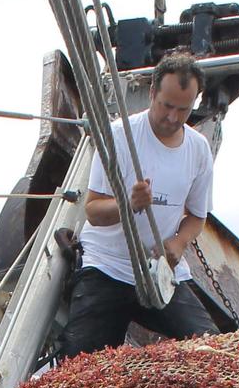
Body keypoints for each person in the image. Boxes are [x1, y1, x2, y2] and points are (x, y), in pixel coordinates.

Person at [59, 49, 222, 359]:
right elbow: (93, 212)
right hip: (107, 267)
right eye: (167, 106)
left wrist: (178, 242)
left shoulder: (198, 149)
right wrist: (128, 203)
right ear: (152, 93)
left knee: (211, 351)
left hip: (158, 273)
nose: (173, 118)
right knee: (77, 361)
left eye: (184, 110)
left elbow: (196, 218)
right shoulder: (119, 137)